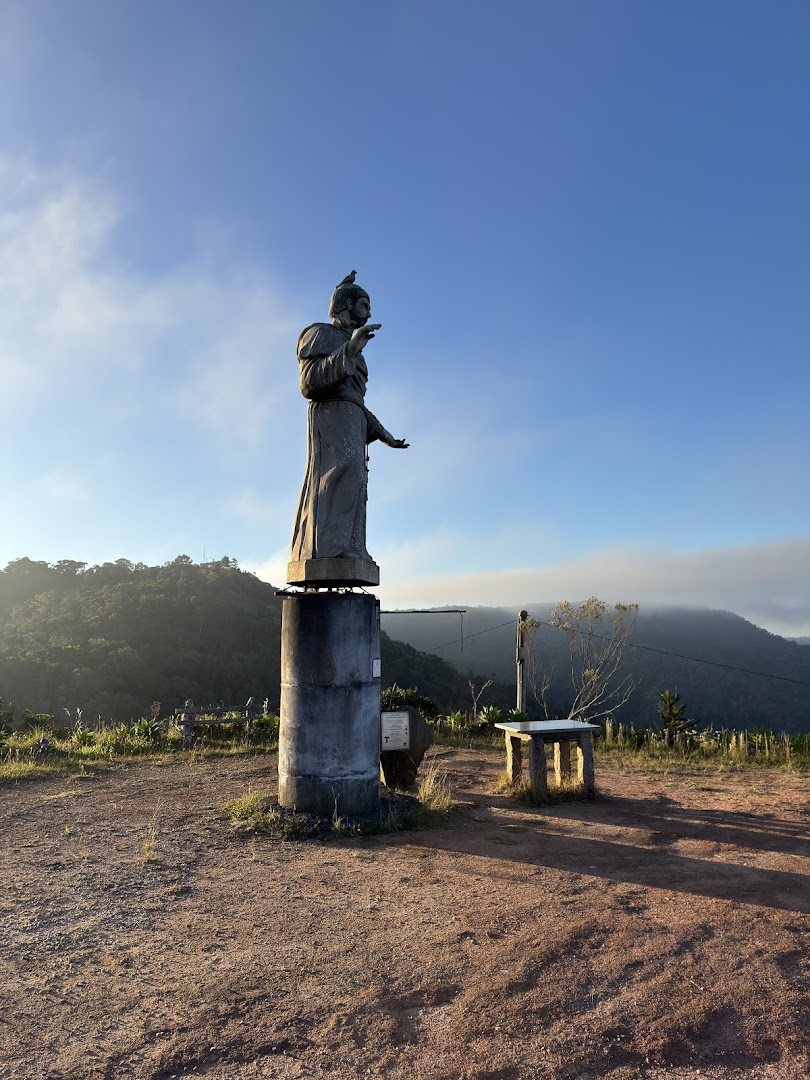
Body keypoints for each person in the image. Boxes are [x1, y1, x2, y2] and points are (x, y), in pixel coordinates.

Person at [289, 272, 408, 575]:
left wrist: (383, 434)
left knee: (356, 479)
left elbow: (357, 400)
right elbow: (309, 382)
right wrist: (350, 350)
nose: (369, 312)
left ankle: (350, 546)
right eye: (363, 304)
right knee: (338, 474)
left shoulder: (351, 345)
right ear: (345, 305)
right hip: (330, 417)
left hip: (353, 418)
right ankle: (326, 548)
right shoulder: (320, 333)